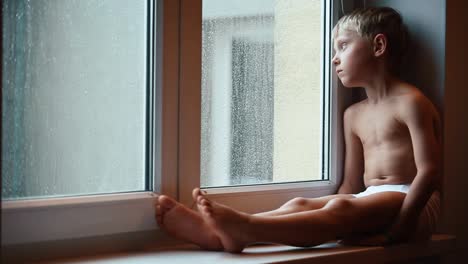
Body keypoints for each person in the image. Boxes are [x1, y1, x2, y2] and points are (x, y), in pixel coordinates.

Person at [154, 6, 442, 253]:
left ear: (378, 46)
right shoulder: (353, 114)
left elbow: (429, 173)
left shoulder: (410, 102)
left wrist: (401, 229)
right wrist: (340, 210)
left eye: (343, 46)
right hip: (371, 201)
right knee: (301, 202)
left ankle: (245, 228)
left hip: (413, 205)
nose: (334, 58)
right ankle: (219, 235)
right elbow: (351, 187)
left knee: (340, 210)